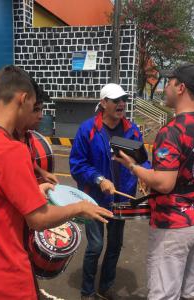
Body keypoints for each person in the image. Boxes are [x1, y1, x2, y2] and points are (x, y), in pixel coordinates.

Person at [0, 65, 113, 300]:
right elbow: (39, 220)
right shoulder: (11, 150)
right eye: (34, 105)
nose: (36, 113)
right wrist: (80, 207)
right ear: (23, 98)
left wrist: (36, 189)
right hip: (6, 282)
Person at [115, 63, 194, 300]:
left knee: (163, 295)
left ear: (181, 87)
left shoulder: (173, 131)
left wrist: (132, 167)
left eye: (169, 83)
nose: (164, 89)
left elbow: (164, 183)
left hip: (173, 224)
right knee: (192, 291)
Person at [70, 83, 149, 300]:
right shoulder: (88, 129)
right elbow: (77, 164)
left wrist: (146, 176)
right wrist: (99, 179)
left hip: (122, 200)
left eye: (123, 99)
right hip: (95, 199)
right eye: (116, 100)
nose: (121, 104)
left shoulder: (131, 130)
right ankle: (87, 291)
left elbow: (142, 161)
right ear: (103, 103)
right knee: (95, 246)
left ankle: (105, 287)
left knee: (115, 245)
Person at [15, 81, 59, 184]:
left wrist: (42, 172)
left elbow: (30, 162)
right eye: (35, 110)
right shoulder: (7, 141)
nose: (41, 116)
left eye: (41, 110)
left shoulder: (29, 137)